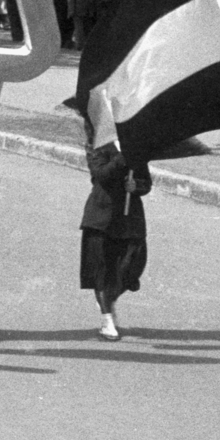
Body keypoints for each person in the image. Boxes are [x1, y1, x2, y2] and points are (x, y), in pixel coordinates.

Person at [78, 140, 151, 341]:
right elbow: (101, 175)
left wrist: (136, 186)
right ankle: (107, 320)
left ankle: (108, 299)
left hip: (130, 219)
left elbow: (146, 183)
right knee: (101, 269)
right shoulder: (98, 147)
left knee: (132, 266)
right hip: (102, 217)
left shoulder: (136, 149)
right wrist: (122, 157)